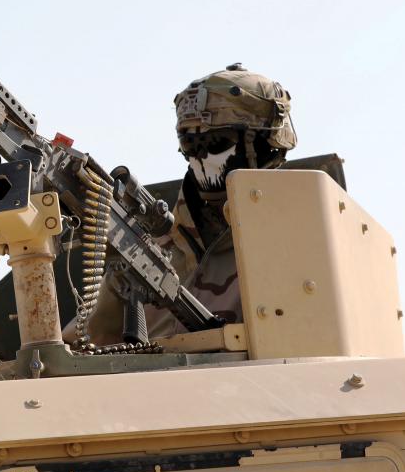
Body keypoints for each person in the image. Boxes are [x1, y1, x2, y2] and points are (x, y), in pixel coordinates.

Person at [72, 63, 297, 346]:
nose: (201, 156)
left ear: (265, 143)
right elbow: (81, 347)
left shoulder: (297, 242)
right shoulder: (152, 248)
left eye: (216, 141)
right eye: (190, 144)